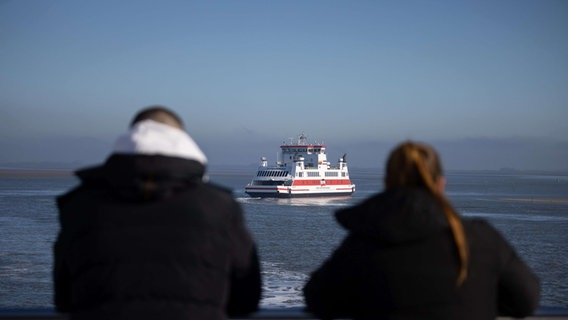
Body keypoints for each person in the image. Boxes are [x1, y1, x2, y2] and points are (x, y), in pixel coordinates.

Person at [53, 106, 261, 320]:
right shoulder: (220, 206)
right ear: (182, 141)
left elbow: (64, 298)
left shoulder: (79, 205)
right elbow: (246, 298)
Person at [303, 141, 540, 320]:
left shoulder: (362, 244)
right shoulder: (482, 239)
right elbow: (526, 301)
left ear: (387, 182)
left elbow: (317, 300)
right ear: (441, 183)